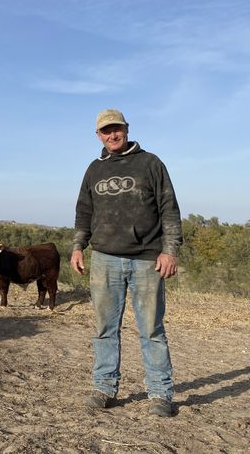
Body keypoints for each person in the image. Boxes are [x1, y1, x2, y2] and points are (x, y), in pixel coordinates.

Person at [70, 109, 182, 418]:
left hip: (147, 259)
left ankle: (160, 393)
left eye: (116, 128)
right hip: (104, 259)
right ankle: (104, 387)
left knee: (152, 330)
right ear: (99, 136)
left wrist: (169, 250)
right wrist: (78, 246)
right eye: (106, 131)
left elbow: (169, 209)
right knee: (105, 328)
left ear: (126, 129)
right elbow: (84, 211)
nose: (112, 134)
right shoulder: (94, 169)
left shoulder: (151, 163)